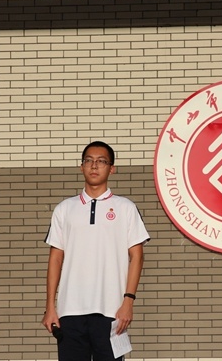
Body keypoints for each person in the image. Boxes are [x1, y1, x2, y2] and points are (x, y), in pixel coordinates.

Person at [41, 140, 150, 361]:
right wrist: (50, 306)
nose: (94, 166)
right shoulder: (64, 209)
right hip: (70, 311)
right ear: (81, 166)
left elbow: (137, 256)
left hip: (112, 312)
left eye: (101, 161)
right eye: (88, 161)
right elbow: (55, 259)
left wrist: (128, 301)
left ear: (112, 169)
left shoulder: (126, 208)